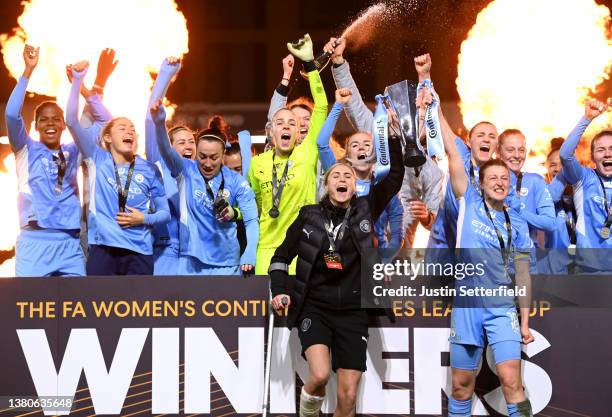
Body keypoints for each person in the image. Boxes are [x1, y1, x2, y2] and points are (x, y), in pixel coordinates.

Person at [269, 132, 404, 417]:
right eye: (336, 176)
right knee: (318, 376)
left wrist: (392, 136)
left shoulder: (365, 211)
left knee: (348, 396)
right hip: (315, 308)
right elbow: (280, 257)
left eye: (348, 177)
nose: (342, 180)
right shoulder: (309, 216)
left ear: (355, 187)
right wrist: (280, 290)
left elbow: (393, 177)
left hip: (354, 312)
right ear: (326, 184)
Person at [439, 103, 535, 417]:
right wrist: (435, 106)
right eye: (492, 177)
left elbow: (522, 276)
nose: (498, 182)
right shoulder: (469, 200)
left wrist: (524, 321)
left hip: (501, 308)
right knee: (461, 386)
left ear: (509, 184)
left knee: (511, 381)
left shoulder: (517, 222)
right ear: (481, 183)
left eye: (503, 179)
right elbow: (453, 151)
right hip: (466, 307)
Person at [323, 38, 444, 248]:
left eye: (404, 107)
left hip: (400, 251)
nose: (397, 111)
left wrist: (425, 216)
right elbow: (353, 103)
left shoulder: (429, 166)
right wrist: (339, 62)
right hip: (360, 241)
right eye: (391, 105)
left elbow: (433, 219)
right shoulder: (376, 134)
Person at [67, 61, 170, 275]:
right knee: (99, 308)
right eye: (122, 128)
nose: (129, 131)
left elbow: (165, 213)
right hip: (103, 249)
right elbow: (71, 121)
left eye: (133, 129)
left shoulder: (149, 169)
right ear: (107, 137)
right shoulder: (96, 158)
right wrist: (77, 82)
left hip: (140, 251)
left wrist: (144, 219)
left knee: (138, 309)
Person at [249, 34, 328, 275]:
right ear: (270, 132)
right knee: (265, 310)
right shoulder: (258, 163)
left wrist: (309, 66)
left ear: (298, 132)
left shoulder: (308, 152)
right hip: (266, 248)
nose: (286, 126)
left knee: (299, 311)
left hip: (302, 247)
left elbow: (322, 105)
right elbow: (252, 205)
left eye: (292, 124)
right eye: (280, 122)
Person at [5, 45, 87, 276]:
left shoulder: (75, 150)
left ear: (63, 124)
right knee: (29, 308)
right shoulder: (24, 148)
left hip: (70, 244)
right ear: (36, 126)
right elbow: (12, 114)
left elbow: (91, 122)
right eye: (44, 120)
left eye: (56, 119)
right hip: (34, 242)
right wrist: (28, 71)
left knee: (78, 309)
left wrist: (80, 84)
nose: (50, 124)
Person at [151, 100, 259, 275]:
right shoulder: (185, 170)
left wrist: (250, 250)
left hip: (227, 265)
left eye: (214, 157)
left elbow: (251, 220)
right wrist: (159, 124)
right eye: (202, 156)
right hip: (190, 263)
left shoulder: (236, 181)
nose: (207, 163)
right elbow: (165, 150)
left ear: (223, 154)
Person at [317, 88, 404, 250]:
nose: (361, 148)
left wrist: (392, 136)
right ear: (348, 156)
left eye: (367, 145)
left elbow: (396, 174)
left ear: (375, 154)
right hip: (332, 254)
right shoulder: (336, 176)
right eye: (355, 145)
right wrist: (338, 106)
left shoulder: (376, 190)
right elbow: (322, 144)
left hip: (363, 257)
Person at [144, 58, 196, 275]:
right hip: (163, 253)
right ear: (169, 146)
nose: (188, 145)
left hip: (194, 255)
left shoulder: (200, 174)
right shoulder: (159, 164)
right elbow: (150, 118)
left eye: (192, 141)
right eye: (181, 142)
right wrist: (167, 72)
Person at [559, 98, 612, 273]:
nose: (607, 154)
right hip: (589, 269)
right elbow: (566, 154)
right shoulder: (584, 177)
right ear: (592, 157)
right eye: (601, 149)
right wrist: (587, 118)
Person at [497, 129, 555, 265]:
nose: (517, 155)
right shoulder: (488, 180)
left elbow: (550, 223)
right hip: (493, 261)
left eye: (521, 150)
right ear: (498, 152)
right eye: (510, 150)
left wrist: (518, 213)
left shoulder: (535, 181)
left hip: (525, 260)